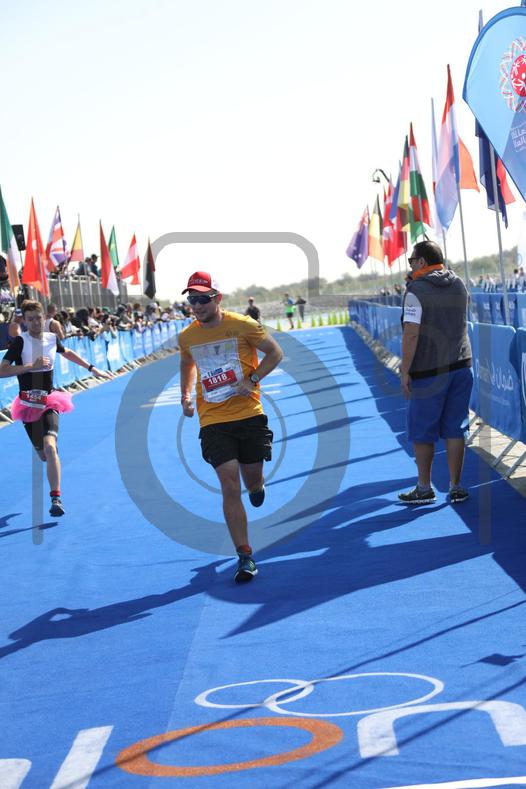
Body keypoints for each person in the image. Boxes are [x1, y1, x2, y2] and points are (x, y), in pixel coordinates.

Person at [178, 271, 283, 583]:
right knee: (228, 484)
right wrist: (185, 395)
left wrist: (252, 379)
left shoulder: (243, 325)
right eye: (192, 299)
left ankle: (257, 485)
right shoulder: (187, 337)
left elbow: (275, 353)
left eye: (202, 299)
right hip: (213, 420)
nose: (197, 305)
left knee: (252, 478)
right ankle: (245, 554)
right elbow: (187, 363)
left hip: (249, 414)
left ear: (217, 298)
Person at [0, 300, 111, 516]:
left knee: (50, 448)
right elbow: (2, 371)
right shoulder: (20, 342)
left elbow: (67, 352)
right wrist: (31, 366)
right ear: (24, 321)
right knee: (43, 455)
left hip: (50, 401)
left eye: (38, 318)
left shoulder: (51, 338)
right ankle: (48, 453)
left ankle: (56, 498)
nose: (34, 323)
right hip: (27, 406)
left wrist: (92, 368)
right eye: (30, 319)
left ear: (44, 318)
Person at [398, 241, 473, 505]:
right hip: (461, 365)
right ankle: (456, 486)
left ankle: (424, 487)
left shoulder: (415, 290)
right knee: (456, 429)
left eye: (411, 261)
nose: (410, 266)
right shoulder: (459, 283)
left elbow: (411, 334)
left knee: (422, 431)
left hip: (428, 370)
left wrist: (405, 370)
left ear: (421, 262)